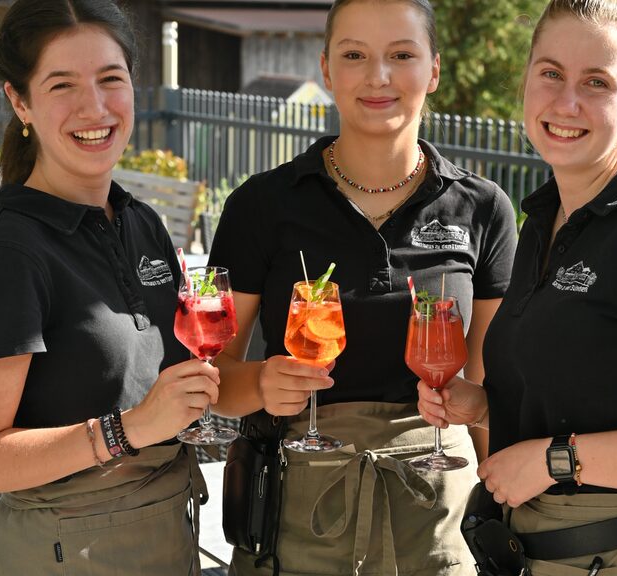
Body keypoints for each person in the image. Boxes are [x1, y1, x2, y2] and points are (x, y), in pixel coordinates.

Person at [419, 0, 617, 573]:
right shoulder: (548, 219)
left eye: (596, 82)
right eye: (551, 73)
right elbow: (590, 394)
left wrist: (556, 461)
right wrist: (483, 407)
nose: (566, 103)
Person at [208, 1, 517, 574]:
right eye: (355, 56)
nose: (378, 76)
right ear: (327, 69)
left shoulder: (483, 209)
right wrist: (262, 382)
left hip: (436, 524)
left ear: (433, 70)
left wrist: (504, 521)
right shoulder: (262, 205)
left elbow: (488, 392)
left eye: (401, 55)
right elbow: (213, 378)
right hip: (296, 520)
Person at [0, 1, 222, 575]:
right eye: (63, 85)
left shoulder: (143, 223)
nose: (96, 107)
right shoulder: (9, 257)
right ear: (20, 102)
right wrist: (128, 430)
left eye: (111, 79)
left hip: (166, 540)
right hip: (60, 556)